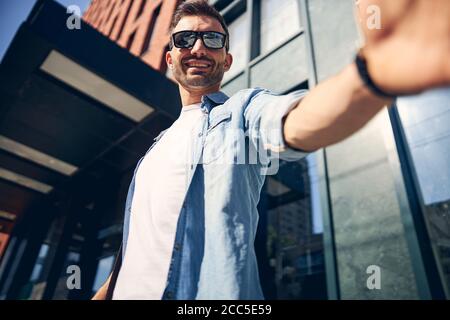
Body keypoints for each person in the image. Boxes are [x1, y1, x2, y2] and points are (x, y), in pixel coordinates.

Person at [92, 0, 450, 299]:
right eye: (186, 39)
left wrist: (373, 74)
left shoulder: (240, 113)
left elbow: (294, 122)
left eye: (212, 39)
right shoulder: (150, 156)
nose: (199, 47)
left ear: (227, 60)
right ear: (170, 58)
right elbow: (140, 251)